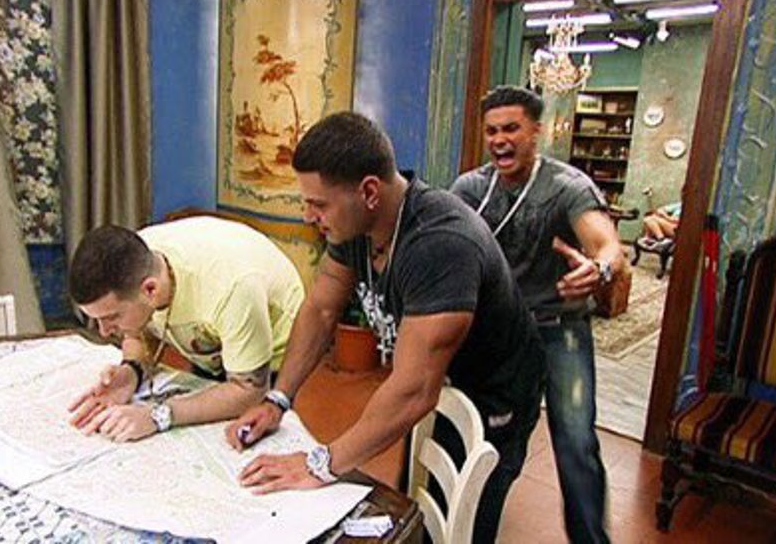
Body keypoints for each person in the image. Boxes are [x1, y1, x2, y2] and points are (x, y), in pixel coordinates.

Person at [224, 111, 546, 543]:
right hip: (439, 377)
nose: (308, 216)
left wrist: (320, 464)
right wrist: (278, 399)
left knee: (465, 521)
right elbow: (321, 309)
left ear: (369, 192)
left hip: (496, 390)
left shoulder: (440, 244)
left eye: (318, 204)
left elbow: (413, 391)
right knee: (414, 504)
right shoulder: (356, 224)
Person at [450, 85, 625, 544]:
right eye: (492, 131)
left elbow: (608, 246)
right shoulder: (470, 189)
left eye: (511, 128)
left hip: (559, 329)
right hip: (498, 336)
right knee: (478, 433)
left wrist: (600, 269)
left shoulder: (567, 187)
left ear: (536, 132)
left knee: (576, 441)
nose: (500, 140)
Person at [65, 217, 305, 442]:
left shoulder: (232, 289)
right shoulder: (135, 261)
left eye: (112, 318)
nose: (104, 332)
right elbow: (138, 334)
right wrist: (132, 370)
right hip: (214, 341)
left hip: (278, 356)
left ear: (150, 290)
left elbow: (250, 391)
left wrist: (157, 416)